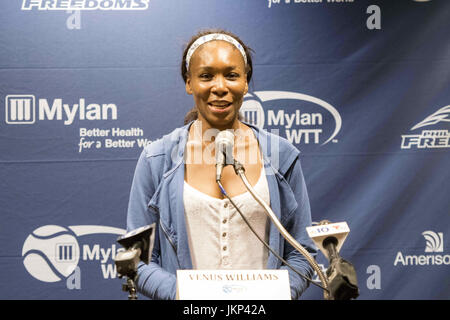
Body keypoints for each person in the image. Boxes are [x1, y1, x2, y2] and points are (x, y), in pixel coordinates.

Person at [125, 29, 317, 300]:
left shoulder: (280, 156)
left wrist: (274, 296)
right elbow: (138, 259)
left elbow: (301, 253)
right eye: (206, 76)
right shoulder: (156, 159)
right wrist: (187, 296)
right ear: (189, 83)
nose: (220, 87)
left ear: (246, 82)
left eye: (231, 75)